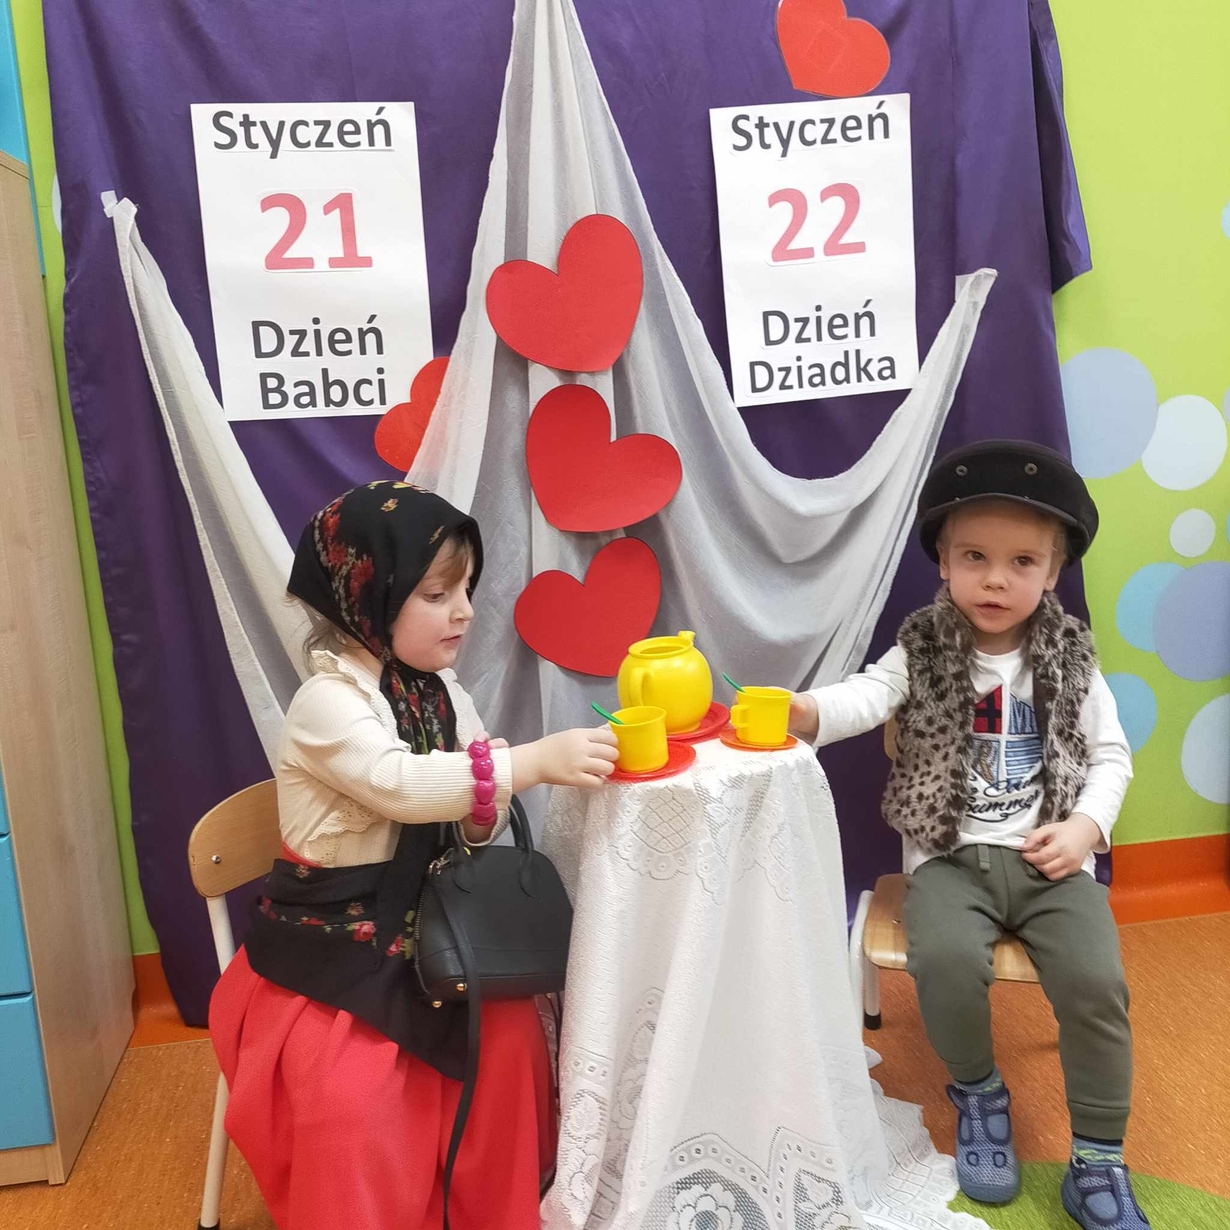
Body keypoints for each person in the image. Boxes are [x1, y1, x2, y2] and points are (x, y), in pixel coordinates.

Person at [209, 480, 619, 1230]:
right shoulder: (327, 704)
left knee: (511, 1043)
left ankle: (488, 1211)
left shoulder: (441, 693)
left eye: (466, 590)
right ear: (368, 598)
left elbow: (464, 825)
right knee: (352, 1098)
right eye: (437, 594)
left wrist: (481, 804)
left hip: (427, 923)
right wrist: (523, 764)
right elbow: (398, 786)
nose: (465, 611)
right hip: (332, 946)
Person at [788, 442, 1150, 1229]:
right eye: (974, 557)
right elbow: (867, 695)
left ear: (1052, 572)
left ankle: (1098, 1156)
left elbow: (1111, 757)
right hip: (951, 861)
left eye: (1022, 561)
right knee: (945, 961)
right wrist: (806, 711)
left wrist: (1085, 828)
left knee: (1097, 985)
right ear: (944, 563)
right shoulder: (922, 649)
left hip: (1052, 861)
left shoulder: (1070, 658)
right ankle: (980, 1094)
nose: (995, 579)